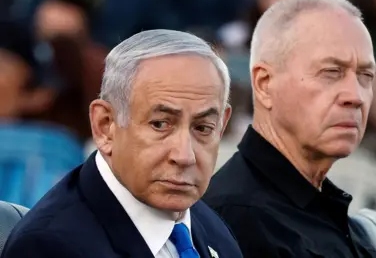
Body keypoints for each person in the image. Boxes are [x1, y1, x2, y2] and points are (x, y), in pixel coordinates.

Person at [1, 29, 242, 258]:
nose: (185, 155)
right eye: (160, 124)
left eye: (202, 128)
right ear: (105, 125)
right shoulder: (50, 247)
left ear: (221, 127)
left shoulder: (211, 228)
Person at [203, 0, 376, 257]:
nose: (355, 96)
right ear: (264, 84)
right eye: (331, 72)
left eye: (365, 75)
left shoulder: (325, 210)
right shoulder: (239, 220)